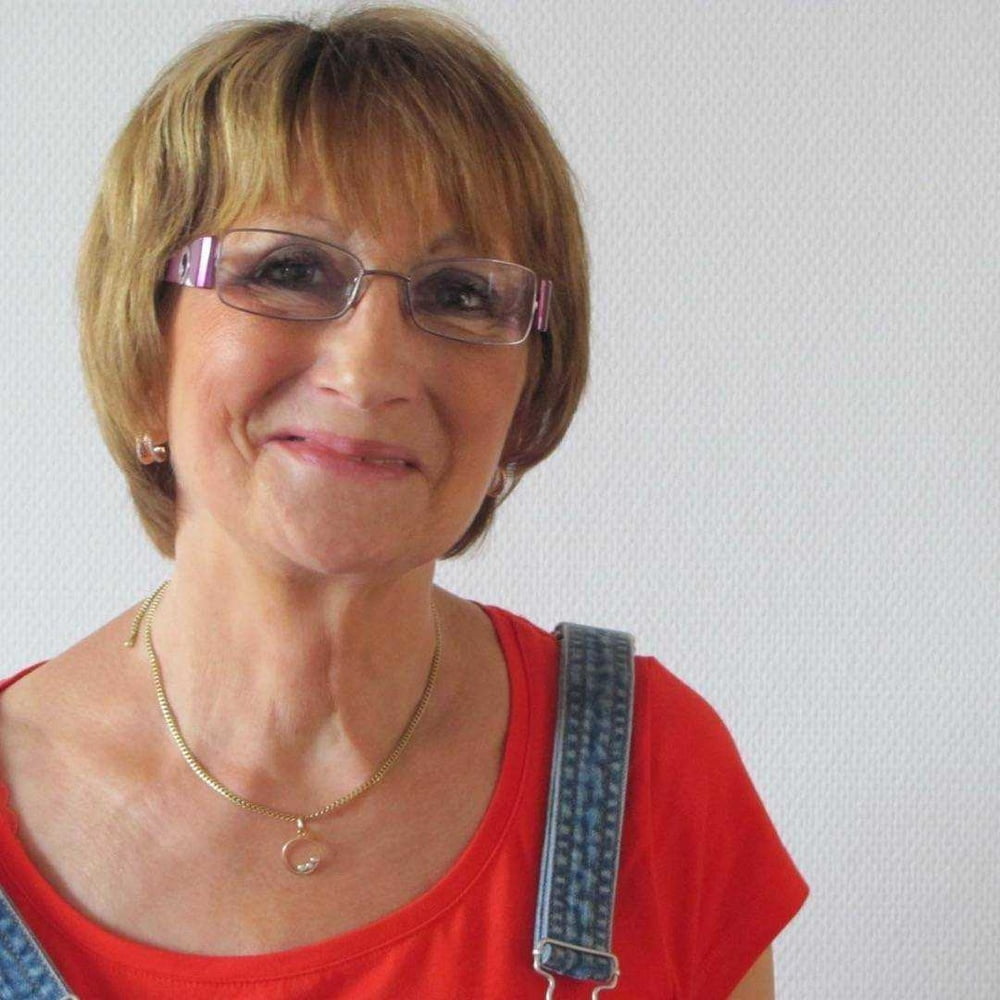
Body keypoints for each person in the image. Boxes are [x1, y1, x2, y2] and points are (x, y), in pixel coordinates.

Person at [0, 6, 807, 997]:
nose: (371, 368)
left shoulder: (655, 778)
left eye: (460, 293)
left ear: (528, 395)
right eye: (289, 270)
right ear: (142, 351)